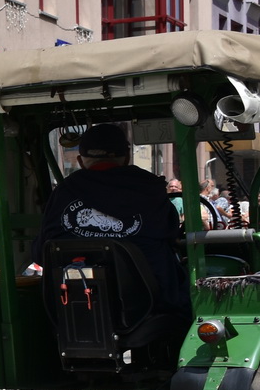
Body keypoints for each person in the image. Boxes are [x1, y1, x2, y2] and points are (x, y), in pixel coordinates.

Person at [34, 123, 186, 310]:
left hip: (73, 306)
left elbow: (40, 252)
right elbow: (171, 233)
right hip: (151, 303)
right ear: (127, 157)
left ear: (81, 161)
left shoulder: (63, 192)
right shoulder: (149, 187)